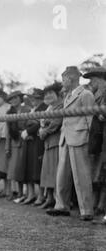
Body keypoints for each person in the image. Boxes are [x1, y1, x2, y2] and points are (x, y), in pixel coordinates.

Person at [47, 66, 95, 221]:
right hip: (65, 138)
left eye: (63, 78)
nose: (62, 82)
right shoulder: (67, 96)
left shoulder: (86, 94)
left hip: (80, 137)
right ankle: (61, 205)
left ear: (71, 78)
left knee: (81, 175)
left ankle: (86, 210)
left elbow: (90, 119)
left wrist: (89, 139)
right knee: (62, 174)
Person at [82, 67, 106, 225]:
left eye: (93, 79)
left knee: (103, 171)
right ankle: (97, 205)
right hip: (97, 138)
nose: (91, 82)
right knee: (97, 172)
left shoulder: (104, 93)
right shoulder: (94, 95)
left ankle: (101, 205)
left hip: (103, 138)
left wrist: (100, 114)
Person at [38, 83, 63, 209]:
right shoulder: (48, 108)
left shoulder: (61, 106)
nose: (48, 96)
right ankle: (49, 198)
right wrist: (41, 131)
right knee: (47, 171)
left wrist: (44, 131)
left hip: (56, 141)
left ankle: (58, 200)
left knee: (56, 172)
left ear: (58, 94)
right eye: (46, 94)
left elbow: (56, 122)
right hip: (47, 143)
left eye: (50, 93)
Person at [21, 88, 48, 205]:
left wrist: (28, 131)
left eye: (36, 97)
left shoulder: (44, 108)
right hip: (29, 141)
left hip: (38, 140)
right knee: (28, 167)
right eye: (32, 97)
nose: (33, 100)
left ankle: (41, 195)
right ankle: (31, 194)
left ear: (41, 98)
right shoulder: (32, 109)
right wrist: (25, 132)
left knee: (37, 169)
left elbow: (39, 123)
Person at [5, 91, 31, 201]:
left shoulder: (27, 109)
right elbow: (8, 131)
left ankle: (22, 193)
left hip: (25, 140)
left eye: (15, 98)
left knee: (20, 168)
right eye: (11, 99)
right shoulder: (9, 112)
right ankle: (12, 192)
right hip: (13, 141)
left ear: (20, 98)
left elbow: (31, 124)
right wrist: (7, 146)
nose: (13, 101)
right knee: (11, 170)